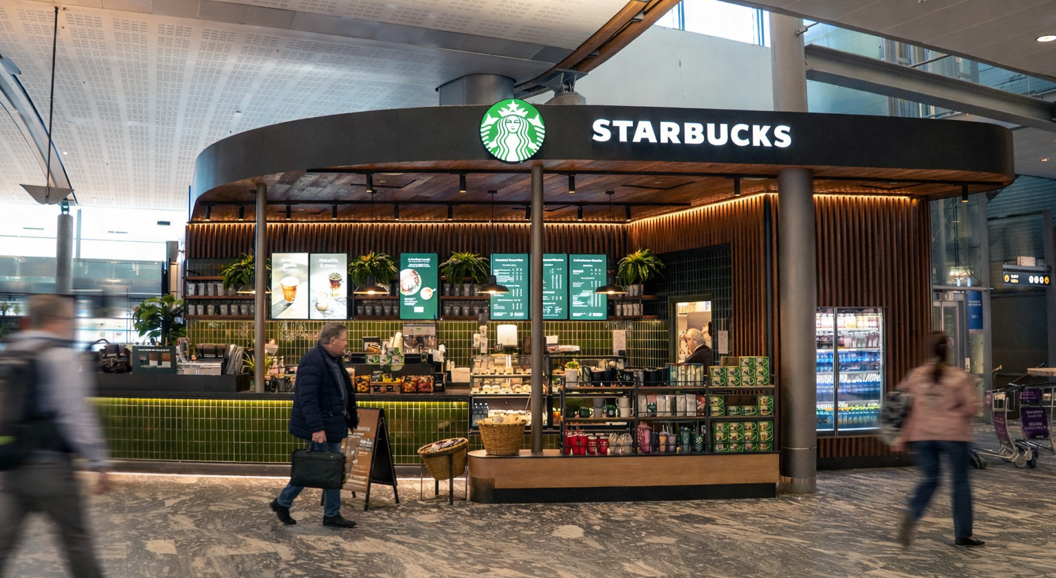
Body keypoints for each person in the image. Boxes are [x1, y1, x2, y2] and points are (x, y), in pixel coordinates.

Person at [0, 294, 111, 578]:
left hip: (10, 465)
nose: (70, 326)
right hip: (50, 467)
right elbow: (74, 414)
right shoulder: (61, 357)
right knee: (76, 541)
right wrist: (97, 459)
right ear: (54, 320)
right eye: (68, 320)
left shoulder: (11, 351)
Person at [894, 332, 983, 548]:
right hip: (954, 436)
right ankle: (963, 534)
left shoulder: (916, 375)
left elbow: (904, 406)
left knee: (930, 480)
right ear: (947, 350)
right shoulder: (959, 377)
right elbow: (972, 408)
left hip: (922, 435)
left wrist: (902, 436)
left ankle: (912, 514)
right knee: (960, 483)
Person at [271, 322, 358, 528]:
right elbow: (307, 398)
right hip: (324, 426)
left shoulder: (332, 360)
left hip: (332, 423)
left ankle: (288, 503)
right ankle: (324, 512)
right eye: (344, 339)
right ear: (332, 340)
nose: (346, 343)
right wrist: (317, 428)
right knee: (325, 469)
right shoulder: (314, 360)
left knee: (327, 468)